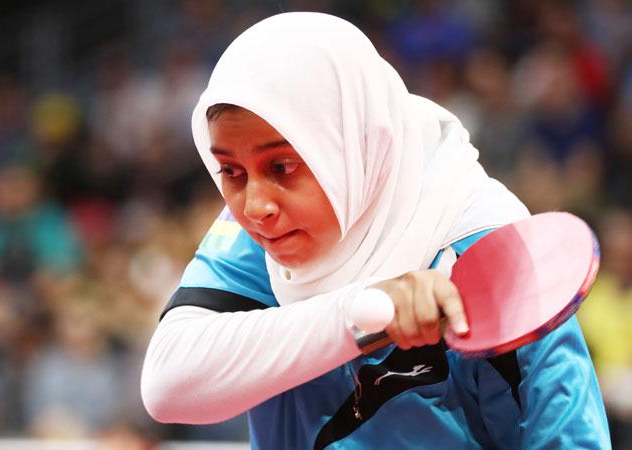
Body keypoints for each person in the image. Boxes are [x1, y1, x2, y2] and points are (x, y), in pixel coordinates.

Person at [141, 12, 610, 449]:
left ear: (348, 145)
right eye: (231, 171)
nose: (255, 205)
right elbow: (168, 385)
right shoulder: (261, 238)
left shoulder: (490, 250)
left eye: (282, 166)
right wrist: (370, 310)